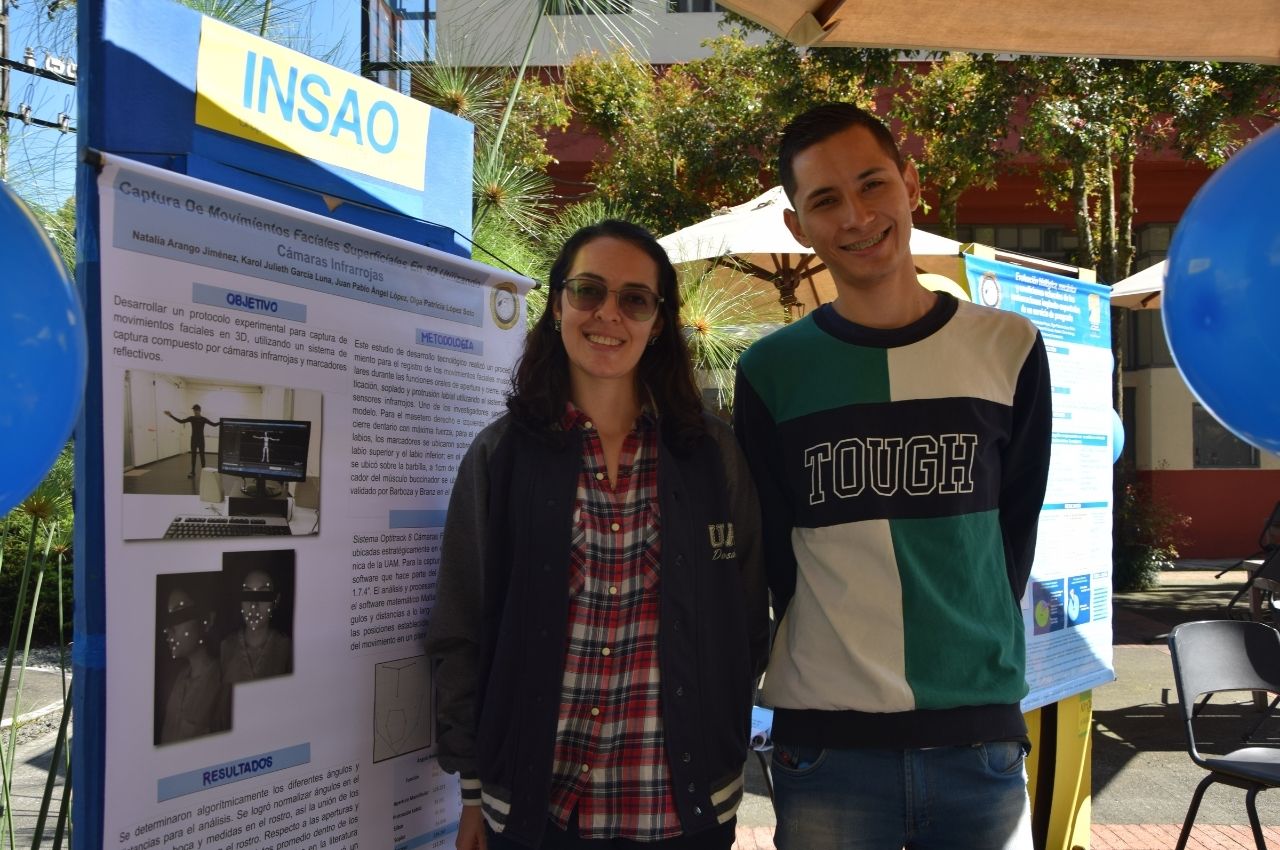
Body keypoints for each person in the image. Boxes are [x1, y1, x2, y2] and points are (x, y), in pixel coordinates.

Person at [732, 103, 1052, 850]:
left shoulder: (1008, 347)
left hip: (979, 747)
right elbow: (773, 559)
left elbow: (1014, 536)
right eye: (825, 200)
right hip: (827, 750)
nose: (856, 215)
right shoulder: (770, 372)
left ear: (911, 183)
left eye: (872, 184)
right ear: (797, 227)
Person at [425, 219, 770, 850]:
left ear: (658, 322)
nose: (608, 313)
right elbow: (463, 628)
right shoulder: (500, 457)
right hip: (537, 813)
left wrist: (720, 728)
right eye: (588, 290)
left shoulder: (712, 455)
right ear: (557, 304)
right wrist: (472, 789)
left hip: (683, 812)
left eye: (634, 299)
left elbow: (745, 619)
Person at [157, 577, 228, 744]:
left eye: (180, 614)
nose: (168, 630)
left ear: (207, 621)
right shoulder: (179, 680)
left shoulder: (223, 684)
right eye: (169, 618)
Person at [220, 568, 292, 685]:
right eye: (247, 594)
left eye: (263, 594)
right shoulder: (224, 648)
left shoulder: (288, 651)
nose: (253, 605)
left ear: (276, 600)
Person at [164, 404, 220, 478]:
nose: (195, 411)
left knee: (202, 456)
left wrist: (222, 421)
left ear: (199, 410)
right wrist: (171, 415)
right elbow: (181, 421)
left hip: (201, 440)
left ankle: (204, 472)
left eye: (196, 410)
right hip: (193, 439)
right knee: (193, 456)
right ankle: (193, 472)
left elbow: (214, 424)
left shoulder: (204, 419)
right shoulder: (191, 418)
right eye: (194, 410)